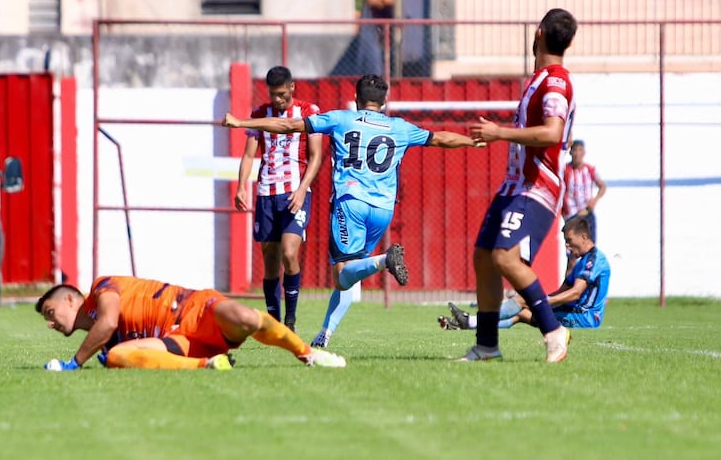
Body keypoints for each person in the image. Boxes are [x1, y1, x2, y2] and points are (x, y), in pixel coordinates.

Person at [223, 74, 482, 348]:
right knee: (352, 272)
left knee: (342, 274)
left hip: (351, 204)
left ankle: (385, 261)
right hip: (383, 210)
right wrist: (471, 141)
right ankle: (326, 333)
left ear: (357, 99)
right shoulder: (400, 127)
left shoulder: (341, 119)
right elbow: (440, 138)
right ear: (385, 100)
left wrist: (241, 123)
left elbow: (287, 125)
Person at [464, 8, 578, 363]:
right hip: (514, 185)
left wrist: (499, 133)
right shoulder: (540, 78)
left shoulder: (555, 81)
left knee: (504, 256)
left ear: (539, 33)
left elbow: (552, 132)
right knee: (484, 257)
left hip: (537, 187)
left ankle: (553, 330)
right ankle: (486, 347)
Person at [36, 275, 346, 370]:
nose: (50, 323)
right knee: (117, 357)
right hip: (179, 340)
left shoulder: (101, 288)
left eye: (49, 313)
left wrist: (73, 364)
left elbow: (106, 322)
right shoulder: (105, 338)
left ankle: (307, 352)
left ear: (69, 299)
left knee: (247, 318)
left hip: (196, 309)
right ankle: (209, 365)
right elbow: (107, 335)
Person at [234, 66, 324, 332]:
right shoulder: (260, 115)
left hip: (295, 193)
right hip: (266, 194)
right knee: (270, 260)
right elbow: (250, 154)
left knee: (289, 252)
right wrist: (241, 186)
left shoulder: (309, 112)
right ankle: (274, 323)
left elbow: (315, 156)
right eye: (274, 95)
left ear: (292, 87)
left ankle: (291, 319)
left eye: (282, 94)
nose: (278, 100)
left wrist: (302, 188)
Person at [439, 216, 610, 330]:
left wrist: (541, 302)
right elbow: (562, 291)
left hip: (584, 319)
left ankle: (470, 321)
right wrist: (540, 301)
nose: (567, 246)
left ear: (584, 238)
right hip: (574, 313)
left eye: (569, 241)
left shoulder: (594, 260)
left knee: (523, 304)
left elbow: (575, 294)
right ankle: (468, 323)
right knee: (521, 309)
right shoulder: (582, 261)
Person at [562, 139, 606, 243]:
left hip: (586, 213)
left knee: (589, 247)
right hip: (571, 215)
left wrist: (595, 200)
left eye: (580, 150)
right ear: (571, 152)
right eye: (575, 150)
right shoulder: (565, 170)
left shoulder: (590, 169)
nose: (577, 154)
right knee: (572, 250)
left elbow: (602, 186)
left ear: (584, 153)